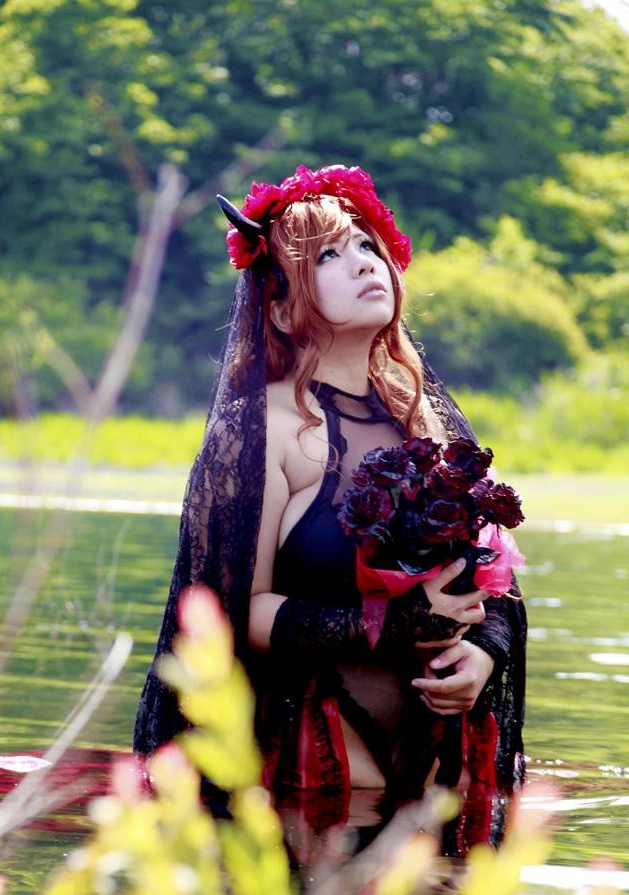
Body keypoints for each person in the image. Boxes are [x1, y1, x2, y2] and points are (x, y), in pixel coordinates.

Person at [134, 164, 526, 858]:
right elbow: (229, 611)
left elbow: (496, 583)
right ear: (283, 309)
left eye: (367, 246)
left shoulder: (431, 423)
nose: (364, 263)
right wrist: (396, 625)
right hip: (316, 759)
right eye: (327, 256)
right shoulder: (262, 431)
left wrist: (483, 654)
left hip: (438, 755)